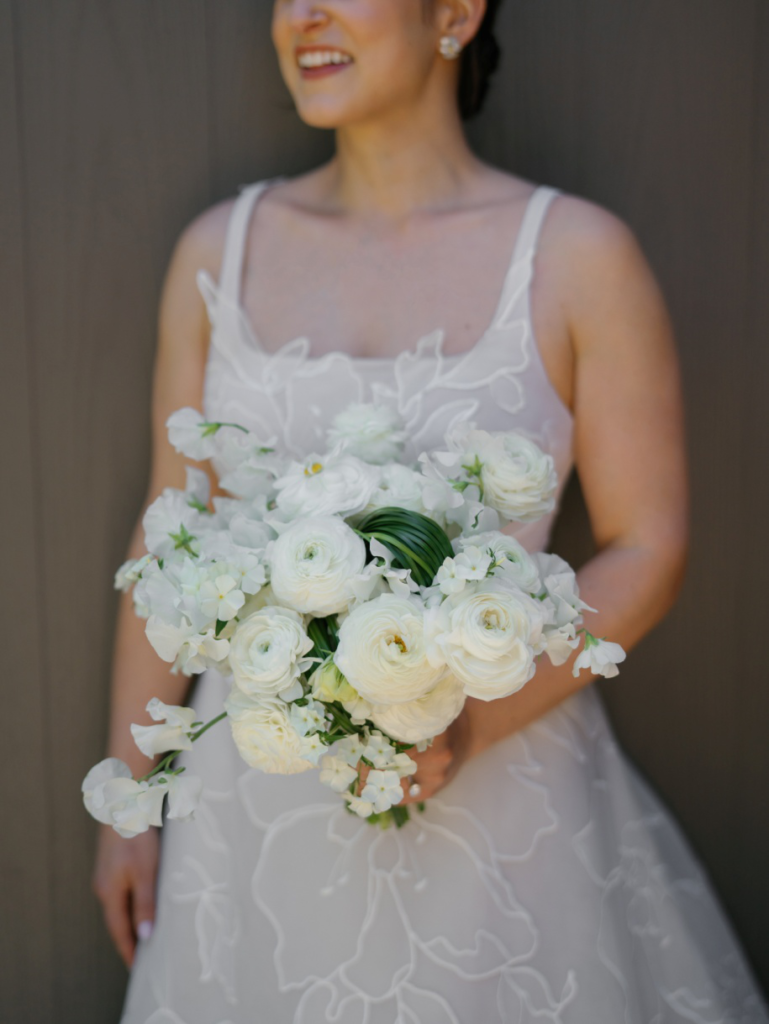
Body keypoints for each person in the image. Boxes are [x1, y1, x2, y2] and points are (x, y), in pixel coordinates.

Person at [93, 1, 768, 1021]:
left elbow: (647, 546)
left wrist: (460, 727)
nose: (300, 16)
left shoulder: (580, 256)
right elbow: (166, 530)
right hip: (254, 803)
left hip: (499, 794)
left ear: (453, 10)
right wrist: (132, 801)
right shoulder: (215, 252)